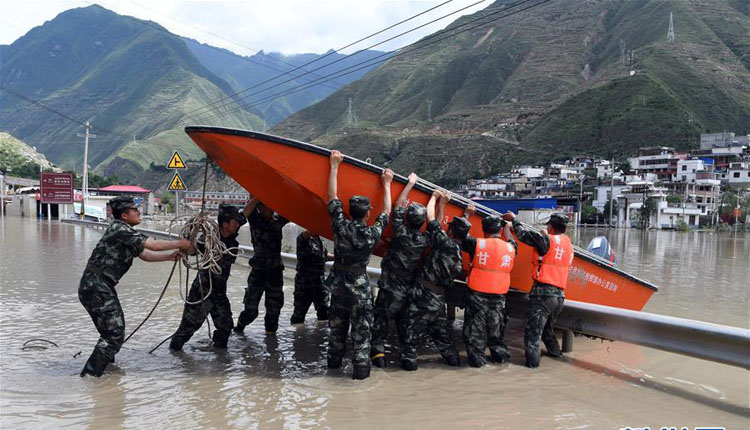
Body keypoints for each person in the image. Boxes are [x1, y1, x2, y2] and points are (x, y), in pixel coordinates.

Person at [79, 196, 191, 377]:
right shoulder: (120, 229)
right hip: (96, 286)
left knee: (110, 332)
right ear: (124, 215)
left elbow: (144, 254)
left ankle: (105, 372)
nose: (139, 212)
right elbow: (154, 245)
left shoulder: (125, 233)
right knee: (114, 334)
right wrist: (181, 243)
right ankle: (91, 377)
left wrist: (169, 256)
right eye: (135, 210)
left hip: (97, 286)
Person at [326, 149, 392, 380]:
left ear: (350, 211)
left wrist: (334, 166)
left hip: (338, 286)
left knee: (337, 329)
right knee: (362, 331)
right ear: (367, 215)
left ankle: (332, 369)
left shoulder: (340, 226)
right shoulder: (371, 233)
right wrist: (387, 184)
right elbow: (386, 212)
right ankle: (361, 375)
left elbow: (332, 197)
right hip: (360, 287)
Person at [402, 190, 470, 370]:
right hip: (438, 301)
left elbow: (430, 219)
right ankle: (454, 363)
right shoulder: (459, 256)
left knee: (410, 338)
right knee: (444, 339)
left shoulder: (445, 243)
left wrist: (438, 200)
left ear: (450, 231)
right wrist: (467, 215)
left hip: (421, 295)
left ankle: (409, 368)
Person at [370, 172, 429, 370]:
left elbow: (396, 207)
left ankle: (378, 356)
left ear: (406, 219)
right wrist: (437, 201)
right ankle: (409, 360)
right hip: (409, 290)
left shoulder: (400, 233)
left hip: (389, 288)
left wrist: (409, 184)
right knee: (406, 326)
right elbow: (435, 224)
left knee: (381, 323)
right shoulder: (424, 241)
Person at [169, 204, 246, 351]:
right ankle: (174, 353)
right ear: (225, 224)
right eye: (235, 222)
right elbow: (191, 250)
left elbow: (245, 215)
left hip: (219, 292)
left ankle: (220, 357)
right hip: (202, 291)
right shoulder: (209, 239)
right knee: (187, 329)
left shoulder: (232, 241)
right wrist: (193, 231)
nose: (238, 225)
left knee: (225, 327)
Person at [503, 211, 573, 368]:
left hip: (543, 295)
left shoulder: (546, 240)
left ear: (551, 227)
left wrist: (514, 219)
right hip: (559, 296)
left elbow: (522, 235)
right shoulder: (568, 244)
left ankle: (532, 369)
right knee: (547, 331)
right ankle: (559, 359)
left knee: (532, 336)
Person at [461, 205, 517, 368]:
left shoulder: (477, 244)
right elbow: (511, 240)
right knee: (496, 334)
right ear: (499, 230)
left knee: (475, 335)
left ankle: (478, 365)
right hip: (499, 299)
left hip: (477, 298)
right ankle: (501, 363)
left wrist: (467, 215)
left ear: (483, 230)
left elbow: (461, 234)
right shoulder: (511, 248)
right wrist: (508, 228)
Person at [235, 198, 289, 334]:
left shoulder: (278, 220)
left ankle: (271, 341)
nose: (272, 210)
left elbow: (293, 212)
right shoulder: (255, 220)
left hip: (275, 273)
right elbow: (247, 208)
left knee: (274, 310)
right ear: (260, 208)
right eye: (268, 207)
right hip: (258, 272)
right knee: (251, 310)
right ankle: (239, 328)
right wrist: (260, 196)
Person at [290, 230, 333, 324]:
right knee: (299, 315)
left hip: (320, 282)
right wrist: (315, 227)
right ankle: (297, 332)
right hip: (304, 283)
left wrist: (338, 257)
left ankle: (321, 333)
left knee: (324, 313)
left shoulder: (320, 240)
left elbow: (324, 255)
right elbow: (308, 233)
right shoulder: (303, 238)